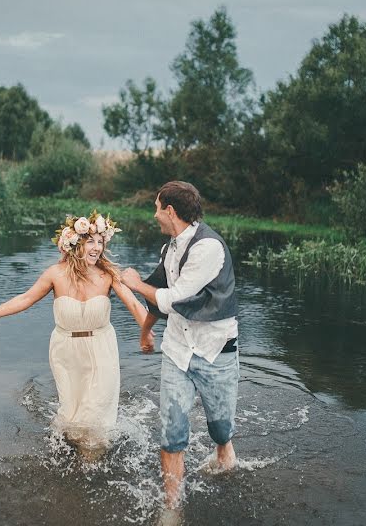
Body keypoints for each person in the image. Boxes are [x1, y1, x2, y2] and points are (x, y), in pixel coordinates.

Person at [0, 210, 148, 459]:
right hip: (65, 352)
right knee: (72, 417)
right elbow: (25, 299)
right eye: (90, 241)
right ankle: (77, 458)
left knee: (95, 416)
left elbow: (135, 305)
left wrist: (146, 333)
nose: (96, 247)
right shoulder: (55, 274)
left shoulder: (108, 275)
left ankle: (89, 466)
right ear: (75, 243)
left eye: (100, 241)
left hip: (101, 349)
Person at [121, 181, 240, 509]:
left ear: (169, 210)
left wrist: (133, 284)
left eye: (156, 207)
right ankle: (171, 508)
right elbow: (158, 295)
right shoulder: (169, 248)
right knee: (172, 429)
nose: (155, 214)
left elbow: (174, 298)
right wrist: (146, 331)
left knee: (220, 427)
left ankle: (224, 452)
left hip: (214, 348)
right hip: (176, 349)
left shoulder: (208, 248)